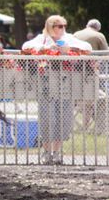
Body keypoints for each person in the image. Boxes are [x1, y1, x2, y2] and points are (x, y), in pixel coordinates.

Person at [22, 15, 92, 165]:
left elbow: (87, 47)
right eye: (59, 26)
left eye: (64, 25)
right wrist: (45, 49)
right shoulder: (42, 38)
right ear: (50, 26)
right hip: (46, 85)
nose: (62, 29)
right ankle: (46, 152)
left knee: (64, 120)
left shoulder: (69, 38)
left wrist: (69, 49)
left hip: (66, 85)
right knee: (48, 118)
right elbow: (25, 47)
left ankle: (56, 152)